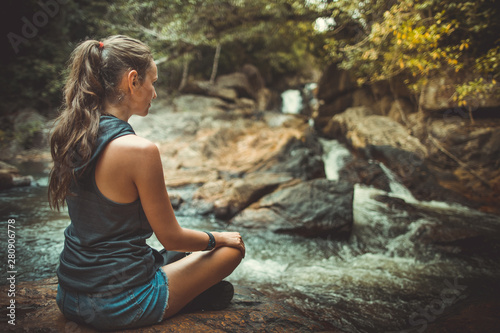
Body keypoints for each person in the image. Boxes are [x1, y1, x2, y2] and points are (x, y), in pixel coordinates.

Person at [48, 35, 245, 331]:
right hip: (119, 304)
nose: (155, 93)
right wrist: (221, 238)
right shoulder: (139, 150)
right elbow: (172, 238)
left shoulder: (72, 135)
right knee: (232, 250)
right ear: (132, 81)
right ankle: (186, 298)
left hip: (69, 295)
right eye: (153, 82)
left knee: (182, 254)